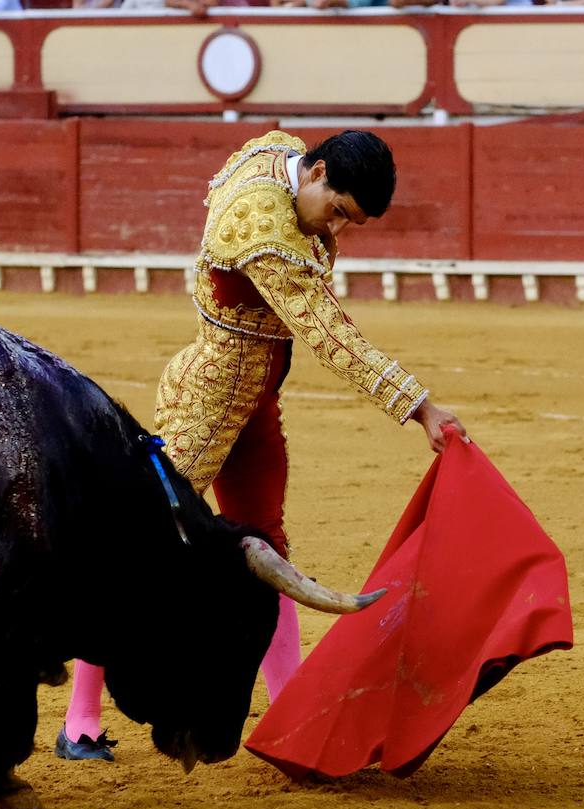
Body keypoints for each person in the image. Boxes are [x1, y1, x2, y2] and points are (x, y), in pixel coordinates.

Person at [56, 129, 468, 762]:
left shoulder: (281, 159)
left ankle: (293, 712)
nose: (338, 229)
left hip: (255, 399)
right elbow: (329, 332)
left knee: (269, 546)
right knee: (136, 545)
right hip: (207, 399)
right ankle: (80, 720)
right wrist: (418, 406)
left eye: (351, 222)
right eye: (337, 210)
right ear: (317, 172)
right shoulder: (261, 227)